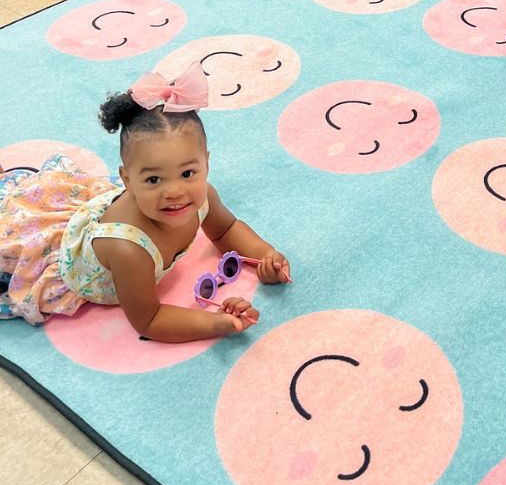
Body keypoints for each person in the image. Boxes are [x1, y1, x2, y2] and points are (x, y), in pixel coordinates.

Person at [0, 62, 291, 342]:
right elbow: (149, 320)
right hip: (69, 253)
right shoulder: (129, 249)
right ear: (127, 180)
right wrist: (216, 323)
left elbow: (226, 230)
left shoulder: (204, 197)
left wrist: (267, 256)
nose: (175, 192)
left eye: (188, 173)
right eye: (154, 180)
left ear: (207, 164)